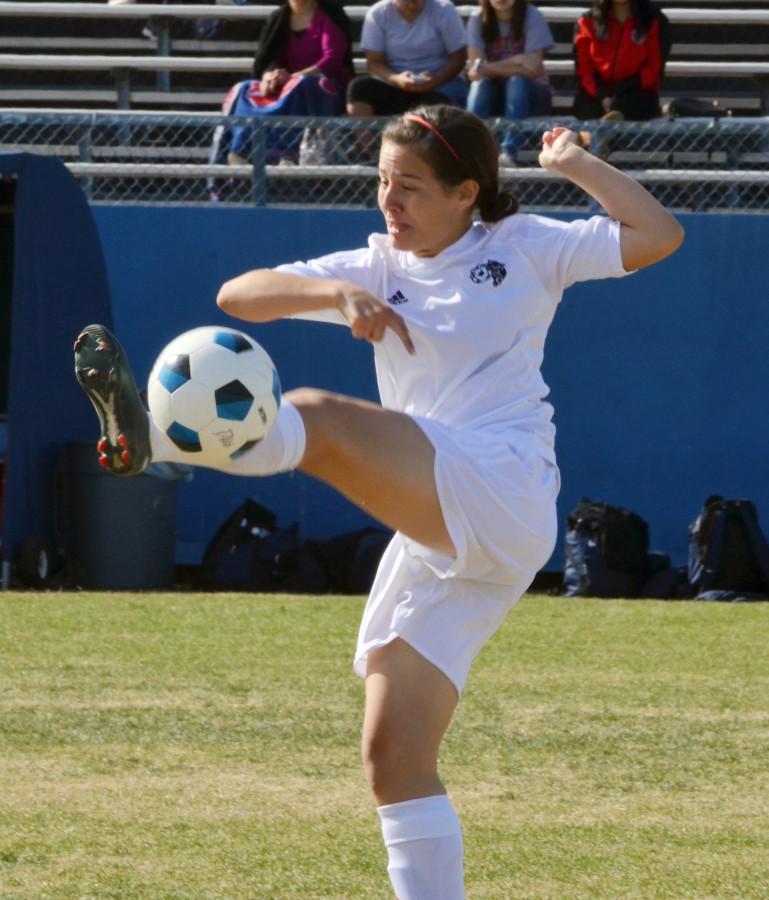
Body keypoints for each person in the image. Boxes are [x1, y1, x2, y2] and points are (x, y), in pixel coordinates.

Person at [74, 105, 684, 899]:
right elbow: (238, 296)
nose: (389, 203)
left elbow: (658, 234)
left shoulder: (526, 245)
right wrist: (335, 291)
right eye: (382, 183)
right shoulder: (375, 264)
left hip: (502, 482)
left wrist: (574, 164)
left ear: (468, 192)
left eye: (411, 188)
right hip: (443, 539)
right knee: (392, 757)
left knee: (322, 420)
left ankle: (158, 442)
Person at [210, 0, 354, 168]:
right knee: (245, 88)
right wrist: (268, 77)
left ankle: (286, 155)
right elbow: (266, 60)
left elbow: (332, 60)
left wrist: (292, 78)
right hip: (286, 85)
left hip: (324, 86)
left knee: (300, 84)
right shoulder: (278, 18)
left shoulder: (331, 13)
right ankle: (240, 152)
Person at [466, 0, 555, 167]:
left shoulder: (532, 16)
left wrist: (488, 67)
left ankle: (508, 153)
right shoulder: (477, 19)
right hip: (495, 95)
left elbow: (534, 69)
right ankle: (472, 153)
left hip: (532, 97)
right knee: (480, 86)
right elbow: (475, 71)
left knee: (517, 81)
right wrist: (519, 61)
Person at [346, 0, 468, 118]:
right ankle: (367, 139)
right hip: (394, 84)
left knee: (434, 102)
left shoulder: (444, 9)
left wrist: (435, 80)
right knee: (359, 88)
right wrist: (397, 79)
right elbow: (374, 63)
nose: (411, 3)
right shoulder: (377, 13)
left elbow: (459, 58)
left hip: (440, 85)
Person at [573, 0, 669, 121]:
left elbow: (654, 69)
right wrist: (603, 95)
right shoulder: (587, 21)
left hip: (636, 93)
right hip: (596, 95)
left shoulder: (654, 21)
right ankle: (604, 131)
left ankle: (604, 132)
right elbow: (584, 70)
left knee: (634, 105)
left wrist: (620, 92)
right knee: (585, 105)